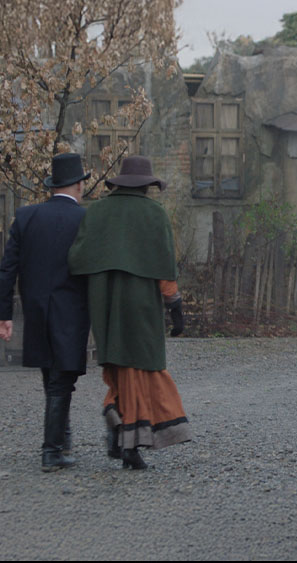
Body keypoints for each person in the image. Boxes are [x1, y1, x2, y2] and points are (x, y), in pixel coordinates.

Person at [68, 155, 191, 470]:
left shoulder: (97, 212)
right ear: (146, 186)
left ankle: (119, 428)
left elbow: (77, 259)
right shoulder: (154, 213)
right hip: (140, 305)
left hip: (104, 304)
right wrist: (175, 305)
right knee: (143, 366)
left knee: (119, 365)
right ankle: (128, 441)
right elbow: (164, 265)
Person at [0, 153, 91, 472]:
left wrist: (4, 314)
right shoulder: (85, 220)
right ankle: (51, 451)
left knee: (52, 376)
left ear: (53, 185)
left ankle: (63, 439)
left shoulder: (26, 217)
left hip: (37, 310)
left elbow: (7, 269)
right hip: (72, 311)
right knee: (61, 380)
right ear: (79, 185)